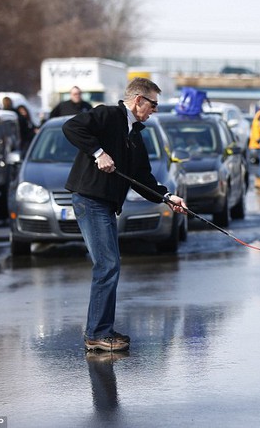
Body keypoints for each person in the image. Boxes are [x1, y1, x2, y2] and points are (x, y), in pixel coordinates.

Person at [62, 77, 188, 353]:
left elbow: (141, 177)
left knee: (109, 265)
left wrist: (166, 197)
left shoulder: (135, 134)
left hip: (105, 204)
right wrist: (98, 152)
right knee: (107, 265)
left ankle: (101, 329)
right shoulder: (107, 115)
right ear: (138, 100)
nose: (155, 109)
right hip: (89, 199)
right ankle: (97, 333)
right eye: (153, 104)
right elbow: (71, 127)